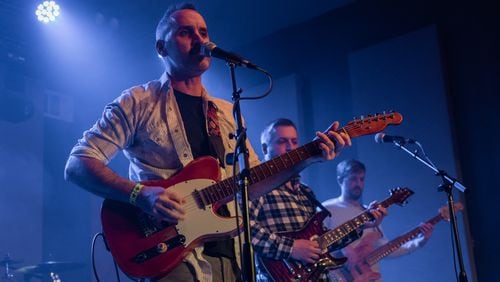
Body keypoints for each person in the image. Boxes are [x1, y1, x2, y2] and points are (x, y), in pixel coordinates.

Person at [64, 3, 351, 282]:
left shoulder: (225, 111)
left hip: (232, 255)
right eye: (186, 32)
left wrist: (308, 157)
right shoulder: (138, 102)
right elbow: (78, 164)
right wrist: (141, 194)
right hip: (169, 252)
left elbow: (248, 184)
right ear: (162, 48)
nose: (200, 39)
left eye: (203, 31)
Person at [249, 119, 385, 281]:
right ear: (265, 148)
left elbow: (319, 244)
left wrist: (362, 224)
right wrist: (291, 248)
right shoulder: (257, 187)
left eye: (294, 141)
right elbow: (245, 230)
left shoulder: (305, 191)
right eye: (282, 141)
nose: (290, 147)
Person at [322, 159, 434, 282]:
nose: (358, 183)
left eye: (362, 179)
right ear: (340, 180)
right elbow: (316, 245)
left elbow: (386, 249)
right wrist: (344, 250)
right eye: (353, 178)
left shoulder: (370, 213)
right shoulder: (326, 210)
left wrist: (419, 242)